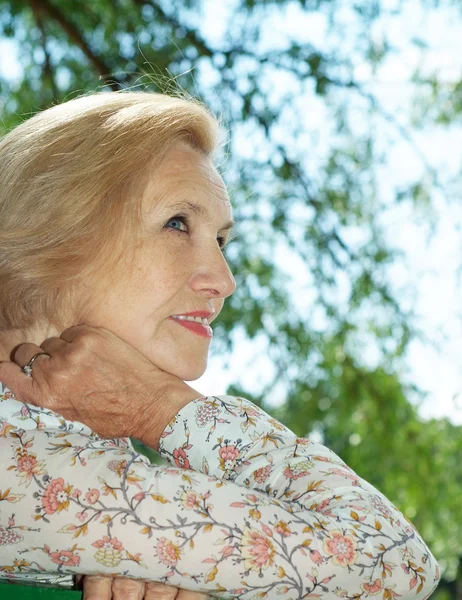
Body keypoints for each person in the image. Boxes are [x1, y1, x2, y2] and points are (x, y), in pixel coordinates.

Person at [0, 90, 441, 600]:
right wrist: (161, 408)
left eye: (222, 241)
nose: (224, 280)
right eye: (176, 224)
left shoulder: (60, 450)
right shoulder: (25, 455)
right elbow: (393, 565)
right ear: (53, 238)